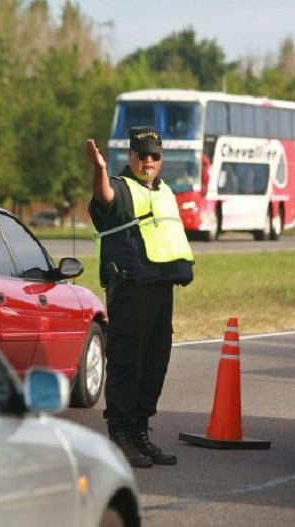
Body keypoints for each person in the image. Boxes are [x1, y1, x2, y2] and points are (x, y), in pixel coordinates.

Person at [86, 126, 194, 468]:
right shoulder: (119, 186)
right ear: (131, 156)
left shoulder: (165, 192)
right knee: (127, 362)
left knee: (154, 364)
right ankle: (119, 433)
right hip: (130, 290)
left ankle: (139, 431)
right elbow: (104, 197)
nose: (148, 161)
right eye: (142, 155)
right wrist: (100, 170)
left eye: (155, 156)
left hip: (161, 288)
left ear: (161, 159)